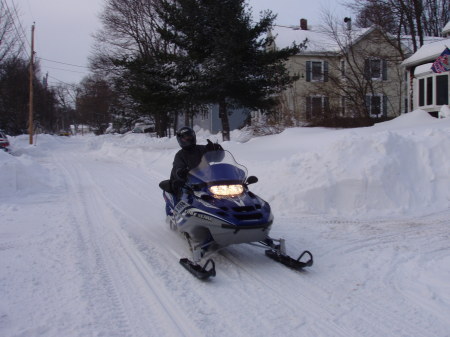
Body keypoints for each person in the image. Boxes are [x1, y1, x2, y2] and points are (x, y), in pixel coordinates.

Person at [170, 126, 222, 197]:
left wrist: (216, 150)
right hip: (189, 183)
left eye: (190, 136)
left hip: (207, 180)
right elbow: (177, 166)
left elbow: (218, 158)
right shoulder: (180, 155)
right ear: (180, 140)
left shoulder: (202, 149)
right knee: (187, 198)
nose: (188, 139)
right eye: (185, 138)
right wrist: (181, 172)